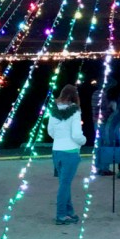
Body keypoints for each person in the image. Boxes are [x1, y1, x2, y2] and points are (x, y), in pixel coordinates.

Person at [47, 84, 86, 225]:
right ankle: (61, 215)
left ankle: (69, 212)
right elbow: (76, 135)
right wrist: (83, 141)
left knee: (64, 183)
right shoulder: (75, 112)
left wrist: (59, 139)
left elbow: (50, 131)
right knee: (65, 185)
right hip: (71, 151)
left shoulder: (54, 110)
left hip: (57, 150)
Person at [90, 77, 117, 143]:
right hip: (102, 119)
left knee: (99, 138)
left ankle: (98, 148)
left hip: (96, 119)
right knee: (103, 138)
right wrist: (111, 105)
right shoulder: (103, 94)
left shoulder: (95, 93)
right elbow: (104, 108)